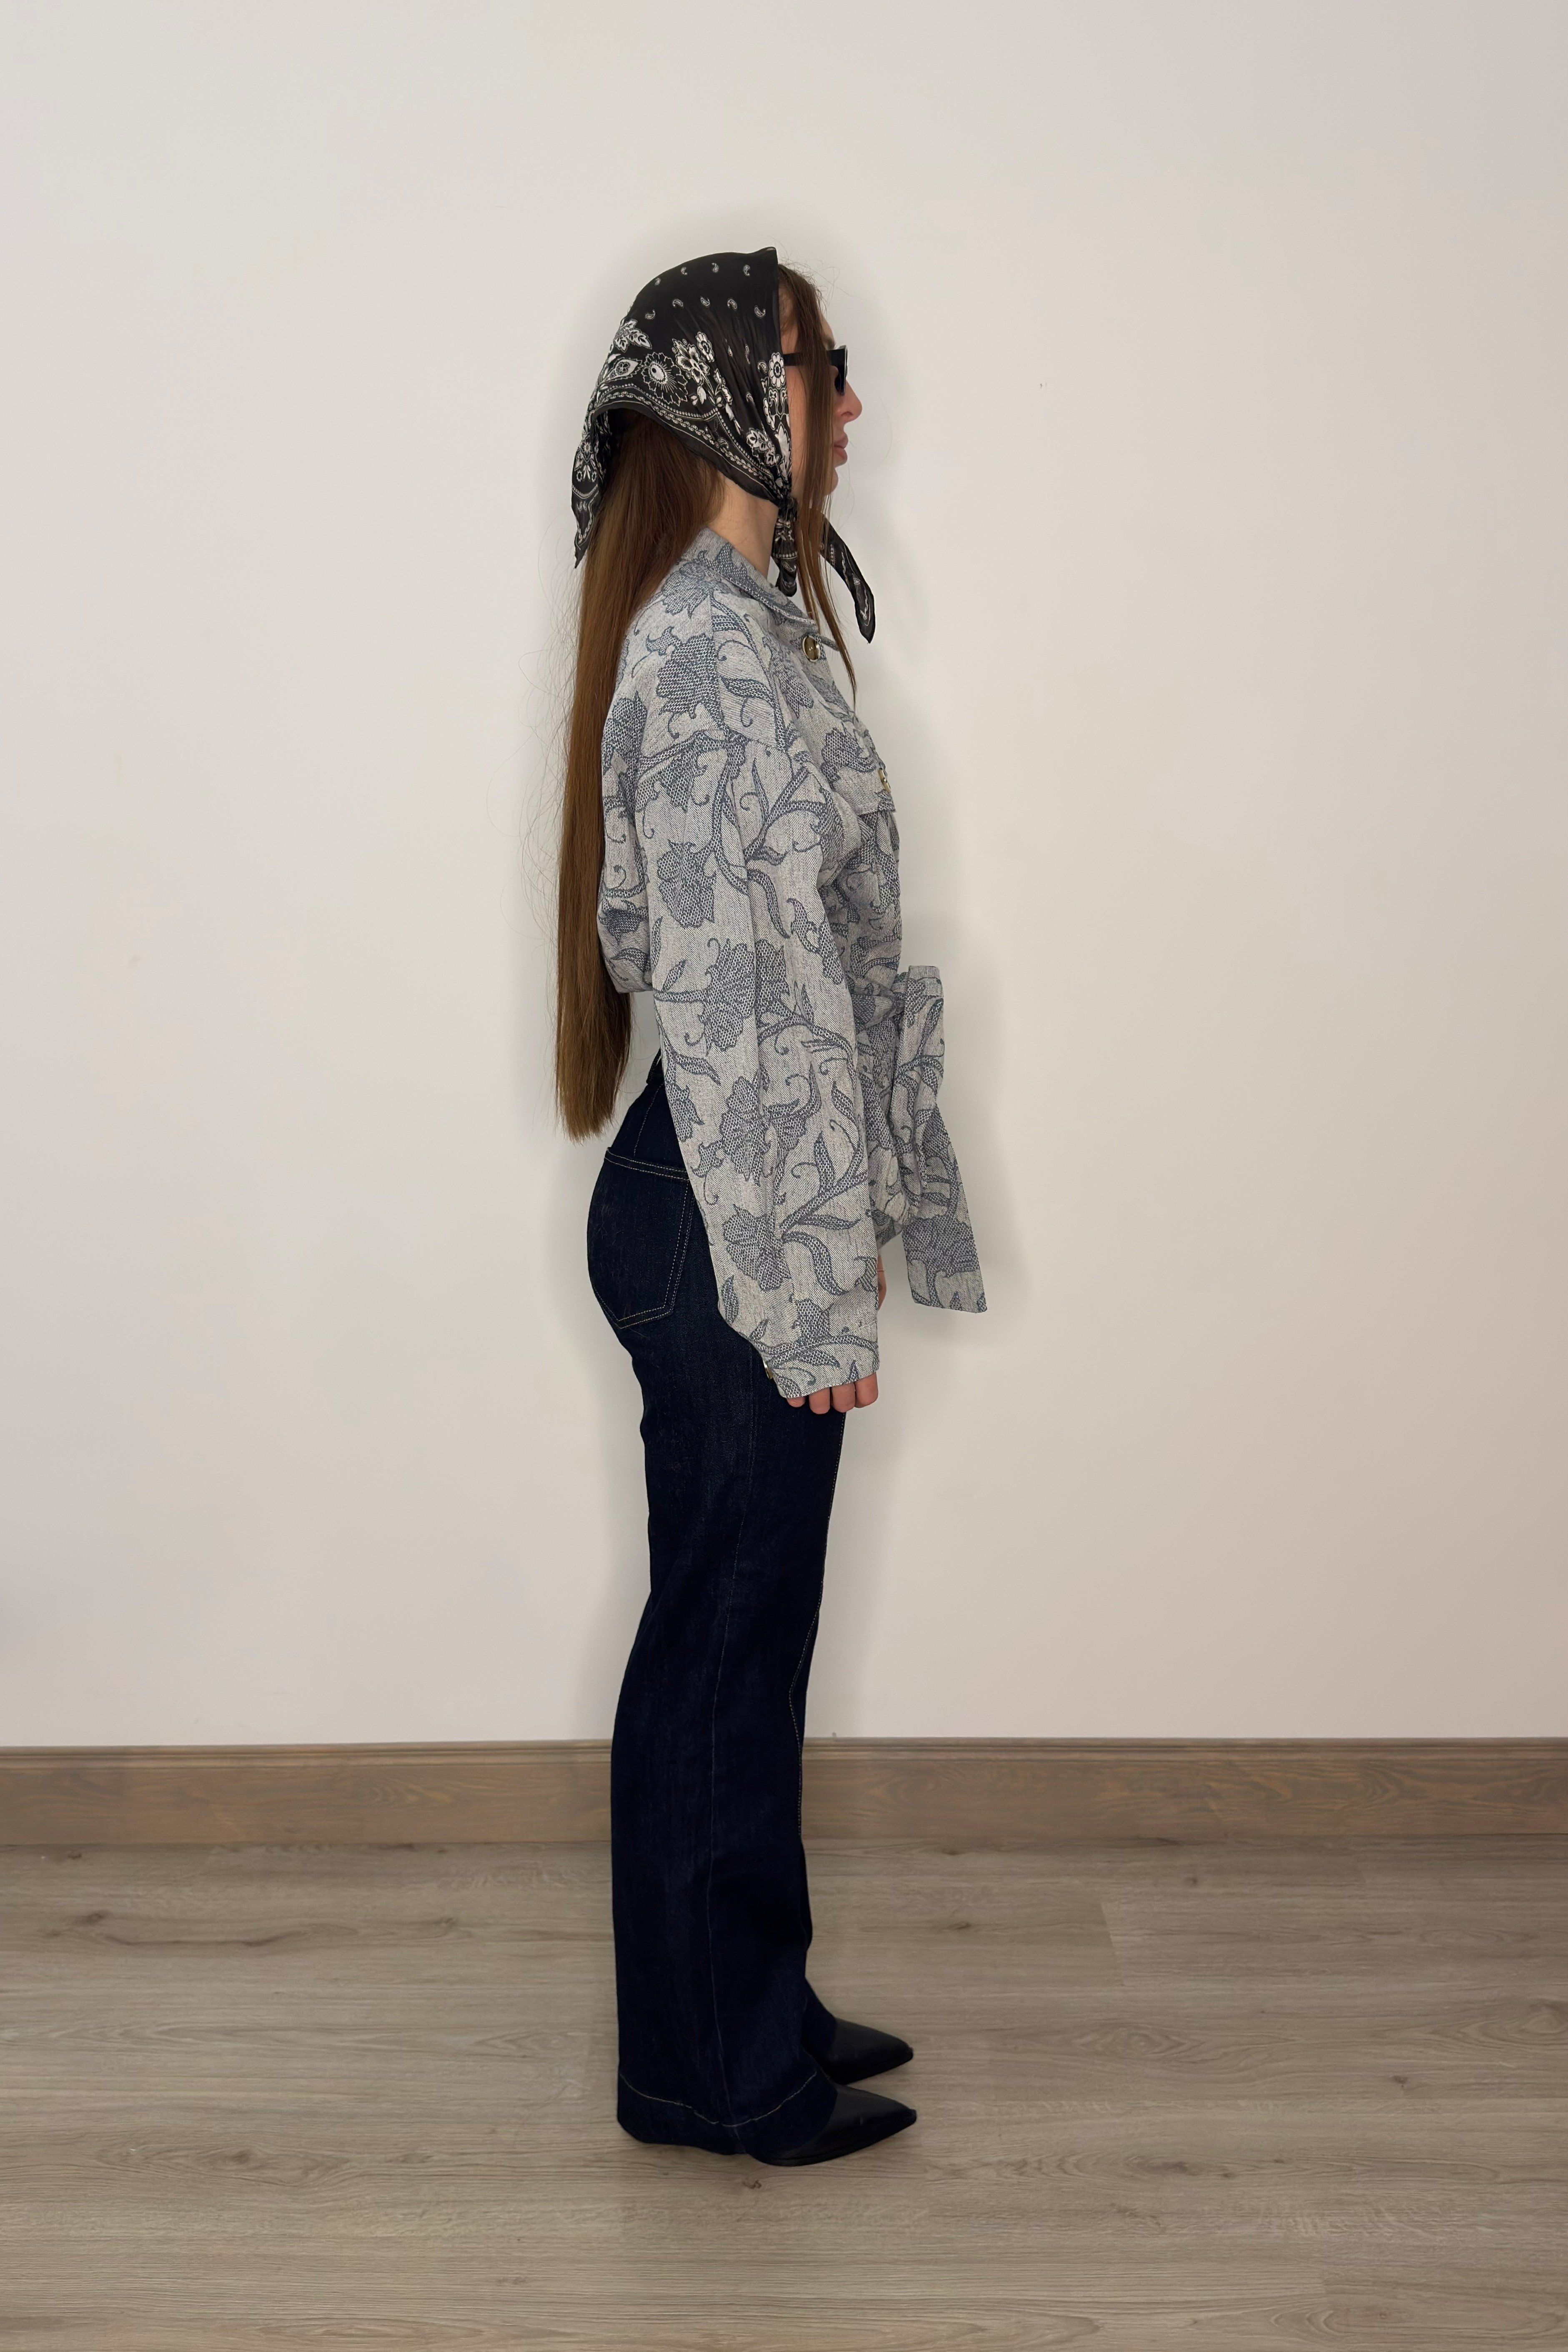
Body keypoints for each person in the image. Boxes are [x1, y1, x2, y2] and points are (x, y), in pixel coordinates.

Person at [555, 245, 985, 2167]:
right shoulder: (706, 655)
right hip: (725, 1206)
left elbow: (691, 950)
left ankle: (745, 2006)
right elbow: (740, 1013)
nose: (852, 402)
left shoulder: (737, 628)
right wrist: (803, 1288)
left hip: (719, 1192)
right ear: (741, 394)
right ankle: (714, 2071)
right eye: (825, 366)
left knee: (742, 1634)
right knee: (725, 1640)